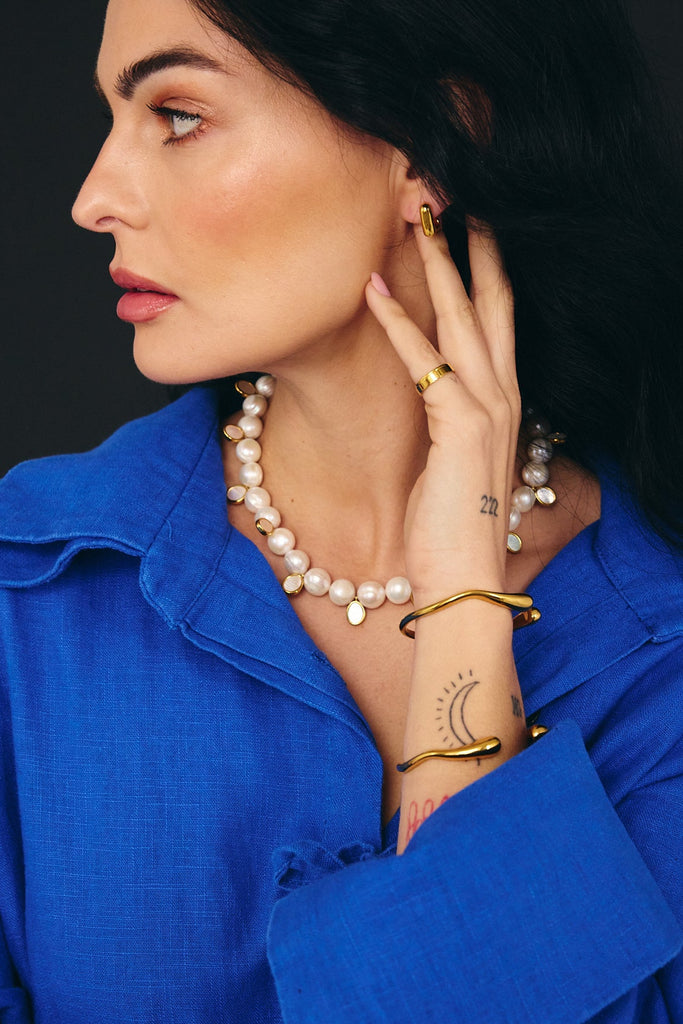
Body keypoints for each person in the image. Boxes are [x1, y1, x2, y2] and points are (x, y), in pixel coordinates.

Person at [1, 0, 682, 1020]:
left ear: (432, 141)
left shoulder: (659, 636)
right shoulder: (27, 594)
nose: (93, 199)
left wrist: (463, 602)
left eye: (178, 115)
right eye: (111, 117)